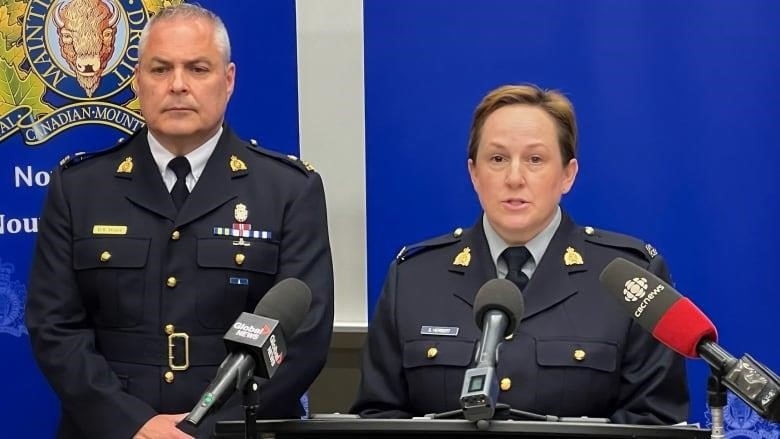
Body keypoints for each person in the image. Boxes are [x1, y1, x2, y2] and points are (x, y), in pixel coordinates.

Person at [25, 4, 333, 439]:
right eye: (160, 69)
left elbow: (302, 339)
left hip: (237, 431)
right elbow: (55, 328)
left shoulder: (288, 190)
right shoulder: (79, 187)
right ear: (138, 83)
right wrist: (132, 423)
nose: (178, 85)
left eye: (198, 68)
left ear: (228, 81)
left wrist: (208, 430)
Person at [351, 84, 688, 424]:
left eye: (535, 159)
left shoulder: (629, 279)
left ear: (567, 175)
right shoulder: (414, 278)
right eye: (497, 159)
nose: (514, 178)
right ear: (474, 174)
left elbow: (654, 421)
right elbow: (378, 416)